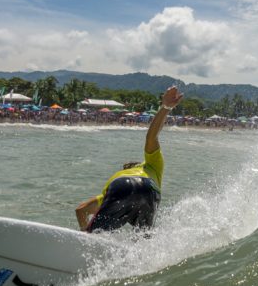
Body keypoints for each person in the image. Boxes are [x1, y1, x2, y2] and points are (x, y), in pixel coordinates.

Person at [76, 86, 183, 232]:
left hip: (122, 186)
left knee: (93, 235)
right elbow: (151, 137)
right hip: (150, 191)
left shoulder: (121, 177)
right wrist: (165, 108)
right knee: (143, 243)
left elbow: (81, 209)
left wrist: (83, 232)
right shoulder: (153, 165)